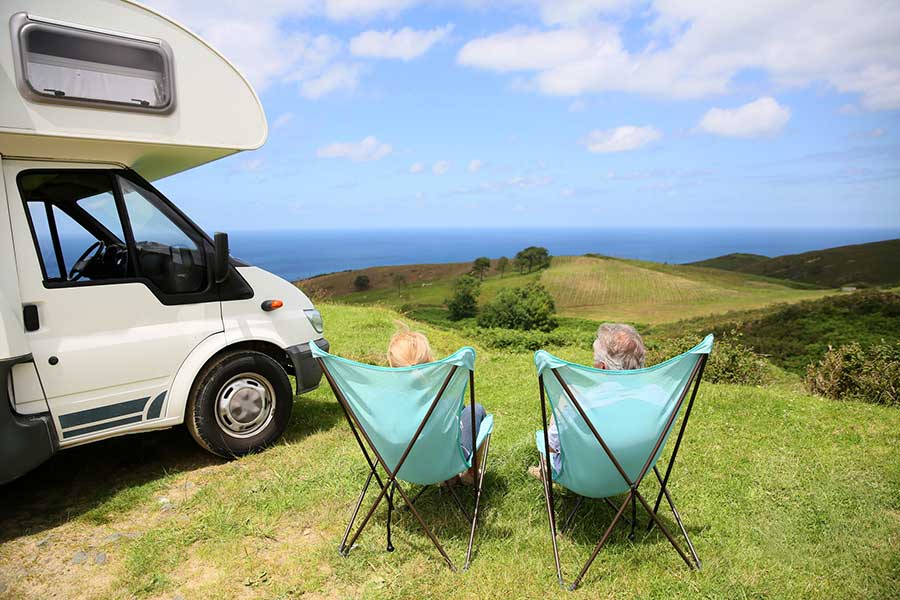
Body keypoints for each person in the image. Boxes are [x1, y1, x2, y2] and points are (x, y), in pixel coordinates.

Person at [528, 323, 646, 480]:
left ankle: (544, 471)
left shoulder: (578, 402)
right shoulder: (655, 396)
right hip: (632, 470)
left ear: (602, 367)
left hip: (586, 477)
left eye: (595, 360)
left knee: (559, 413)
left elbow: (551, 443)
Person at [388, 325, 486, 485]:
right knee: (476, 410)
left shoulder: (385, 401)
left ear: (393, 365)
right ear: (428, 360)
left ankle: (450, 479)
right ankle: (470, 474)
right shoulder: (440, 395)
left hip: (403, 466)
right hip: (446, 463)